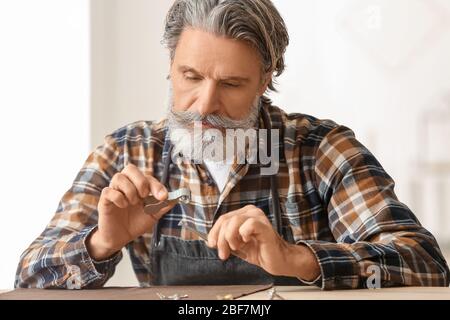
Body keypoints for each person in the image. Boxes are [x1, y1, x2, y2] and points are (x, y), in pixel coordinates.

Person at [15, 0, 449, 290]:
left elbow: (426, 268)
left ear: (266, 79)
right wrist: (100, 243)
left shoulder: (320, 151)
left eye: (231, 83)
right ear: (170, 66)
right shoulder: (128, 152)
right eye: (191, 77)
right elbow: (28, 280)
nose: (205, 105)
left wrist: (297, 259)